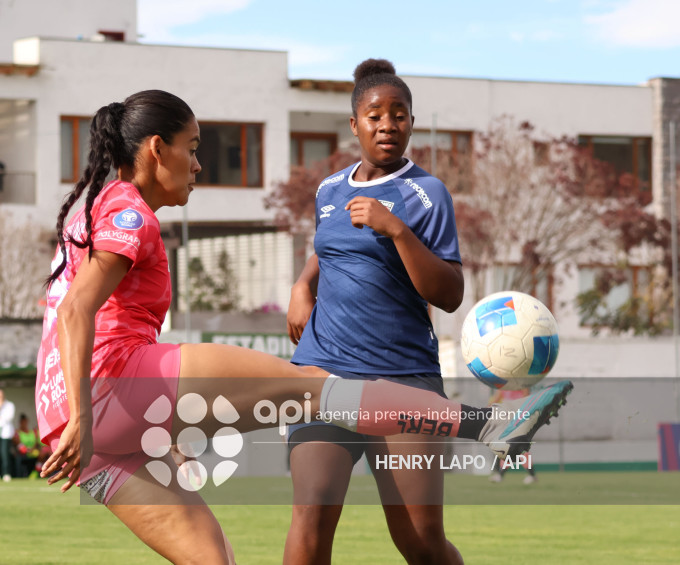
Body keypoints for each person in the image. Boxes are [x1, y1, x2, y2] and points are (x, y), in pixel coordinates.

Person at [35, 89, 572, 563]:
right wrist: (90, 413)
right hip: (107, 391)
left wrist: (118, 425)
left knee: (209, 559)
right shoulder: (130, 211)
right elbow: (75, 310)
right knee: (318, 391)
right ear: (157, 149)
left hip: (73, 429)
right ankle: (490, 424)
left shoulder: (99, 207)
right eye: (193, 148)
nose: (198, 165)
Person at [280, 58, 503, 564]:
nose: (388, 125)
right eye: (376, 115)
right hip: (324, 373)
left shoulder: (426, 194)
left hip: (404, 380)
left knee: (419, 541)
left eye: (399, 115)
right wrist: (302, 284)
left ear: (411, 123)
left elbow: (448, 293)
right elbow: (330, 249)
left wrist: (396, 229)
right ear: (354, 124)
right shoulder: (329, 190)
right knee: (309, 520)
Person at [488, 388, 538, 484]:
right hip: (509, 419)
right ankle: (531, 475)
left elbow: (527, 398)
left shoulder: (521, 384)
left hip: (519, 420)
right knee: (511, 448)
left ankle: (501, 475)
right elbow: (496, 399)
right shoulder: (503, 386)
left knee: (517, 448)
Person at [13, 413, 49, 478]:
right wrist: (27, 450)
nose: (24, 423)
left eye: (25, 421)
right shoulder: (17, 432)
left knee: (44, 453)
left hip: (33, 451)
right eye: (22, 422)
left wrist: (33, 449)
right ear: (20, 422)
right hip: (23, 453)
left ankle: (36, 472)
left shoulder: (33, 432)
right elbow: (18, 444)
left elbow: (36, 443)